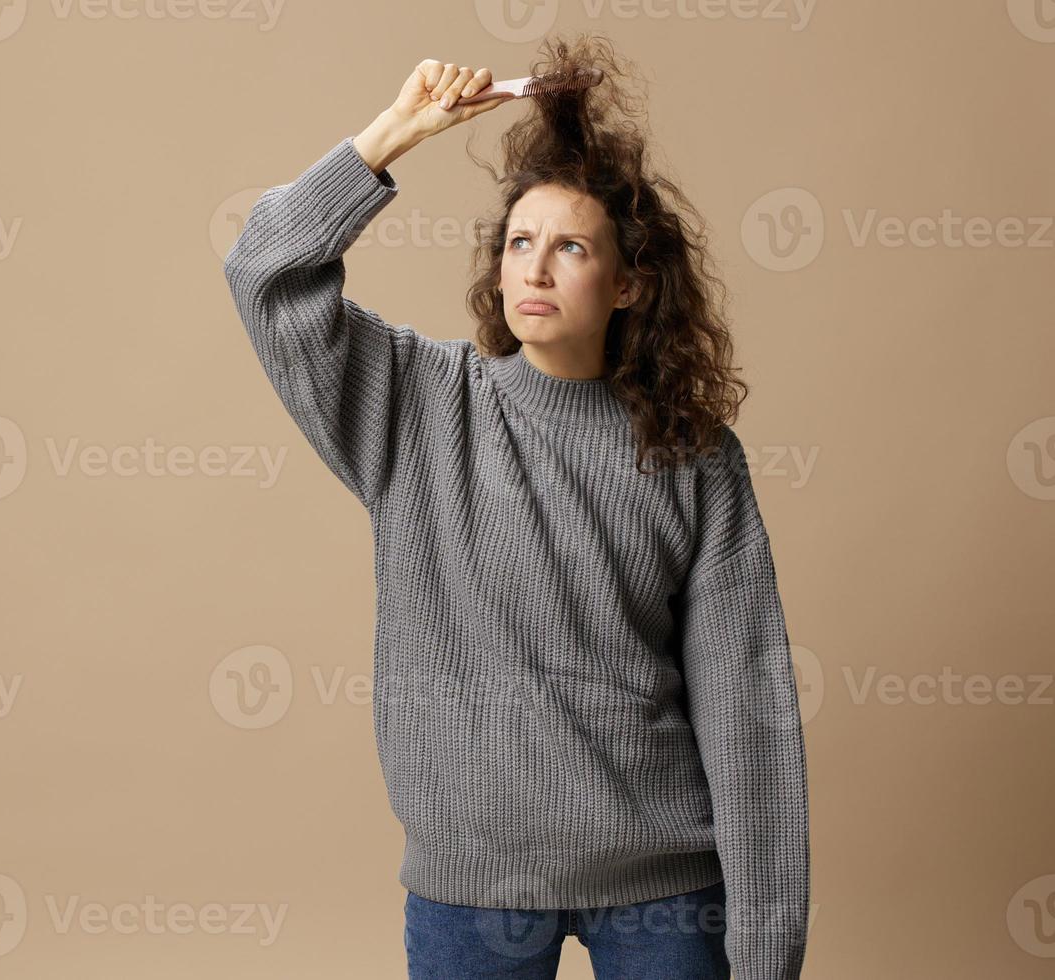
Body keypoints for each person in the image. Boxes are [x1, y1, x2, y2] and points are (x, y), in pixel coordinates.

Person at [222, 33, 809, 980]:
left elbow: (749, 706)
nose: (533, 269)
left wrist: (769, 951)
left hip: (664, 883)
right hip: (472, 885)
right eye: (519, 243)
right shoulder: (418, 404)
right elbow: (264, 271)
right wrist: (393, 134)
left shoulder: (696, 458)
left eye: (569, 246)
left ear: (628, 285)